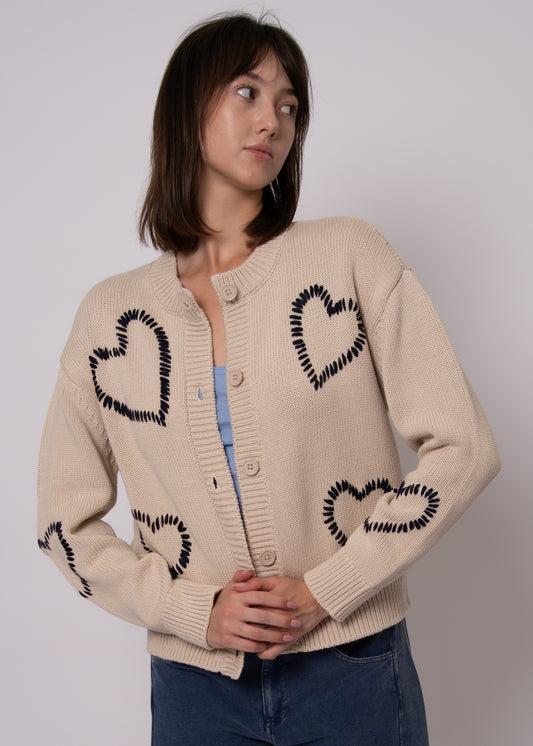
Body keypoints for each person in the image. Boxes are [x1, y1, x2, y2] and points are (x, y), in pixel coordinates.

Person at [37, 12, 501, 746]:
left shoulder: (348, 256)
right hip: (195, 690)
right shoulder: (110, 317)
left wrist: (326, 590)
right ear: (187, 107)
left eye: (289, 105)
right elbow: (62, 523)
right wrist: (193, 612)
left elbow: (464, 448)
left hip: (352, 668)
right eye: (247, 92)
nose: (272, 122)